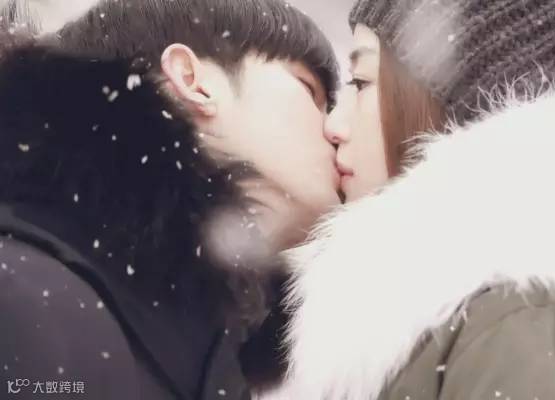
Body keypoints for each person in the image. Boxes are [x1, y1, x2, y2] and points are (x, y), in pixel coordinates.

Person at [261, 0, 555, 399]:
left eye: (361, 82)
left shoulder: (526, 322)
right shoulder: (477, 317)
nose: (335, 125)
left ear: (466, 98)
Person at [0, 0, 340, 399]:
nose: (335, 127)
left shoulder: (216, 351)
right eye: (311, 90)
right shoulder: (23, 303)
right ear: (191, 78)